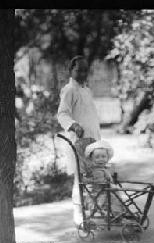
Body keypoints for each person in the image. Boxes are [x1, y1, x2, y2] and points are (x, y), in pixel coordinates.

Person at [57, 55, 101, 226]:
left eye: (85, 70)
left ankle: (94, 211)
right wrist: (73, 125)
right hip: (79, 141)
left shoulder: (86, 90)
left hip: (93, 140)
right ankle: (79, 215)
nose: (82, 73)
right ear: (71, 70)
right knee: (80, 178)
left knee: (94, 176)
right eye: (78, 70)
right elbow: (62, 114)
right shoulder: (69, 90)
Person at [83, 140, 124, 220]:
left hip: (105, 190)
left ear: (107, 158)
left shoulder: (103, 168)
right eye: (97, 157)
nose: (100, 159)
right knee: (114, 200)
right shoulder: (97, 171)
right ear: (92, 159)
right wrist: (110, 183)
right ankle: (116, 215)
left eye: (103, 156)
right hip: (101, 192)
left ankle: (115, 214)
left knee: (115, 199)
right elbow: (101, 182)